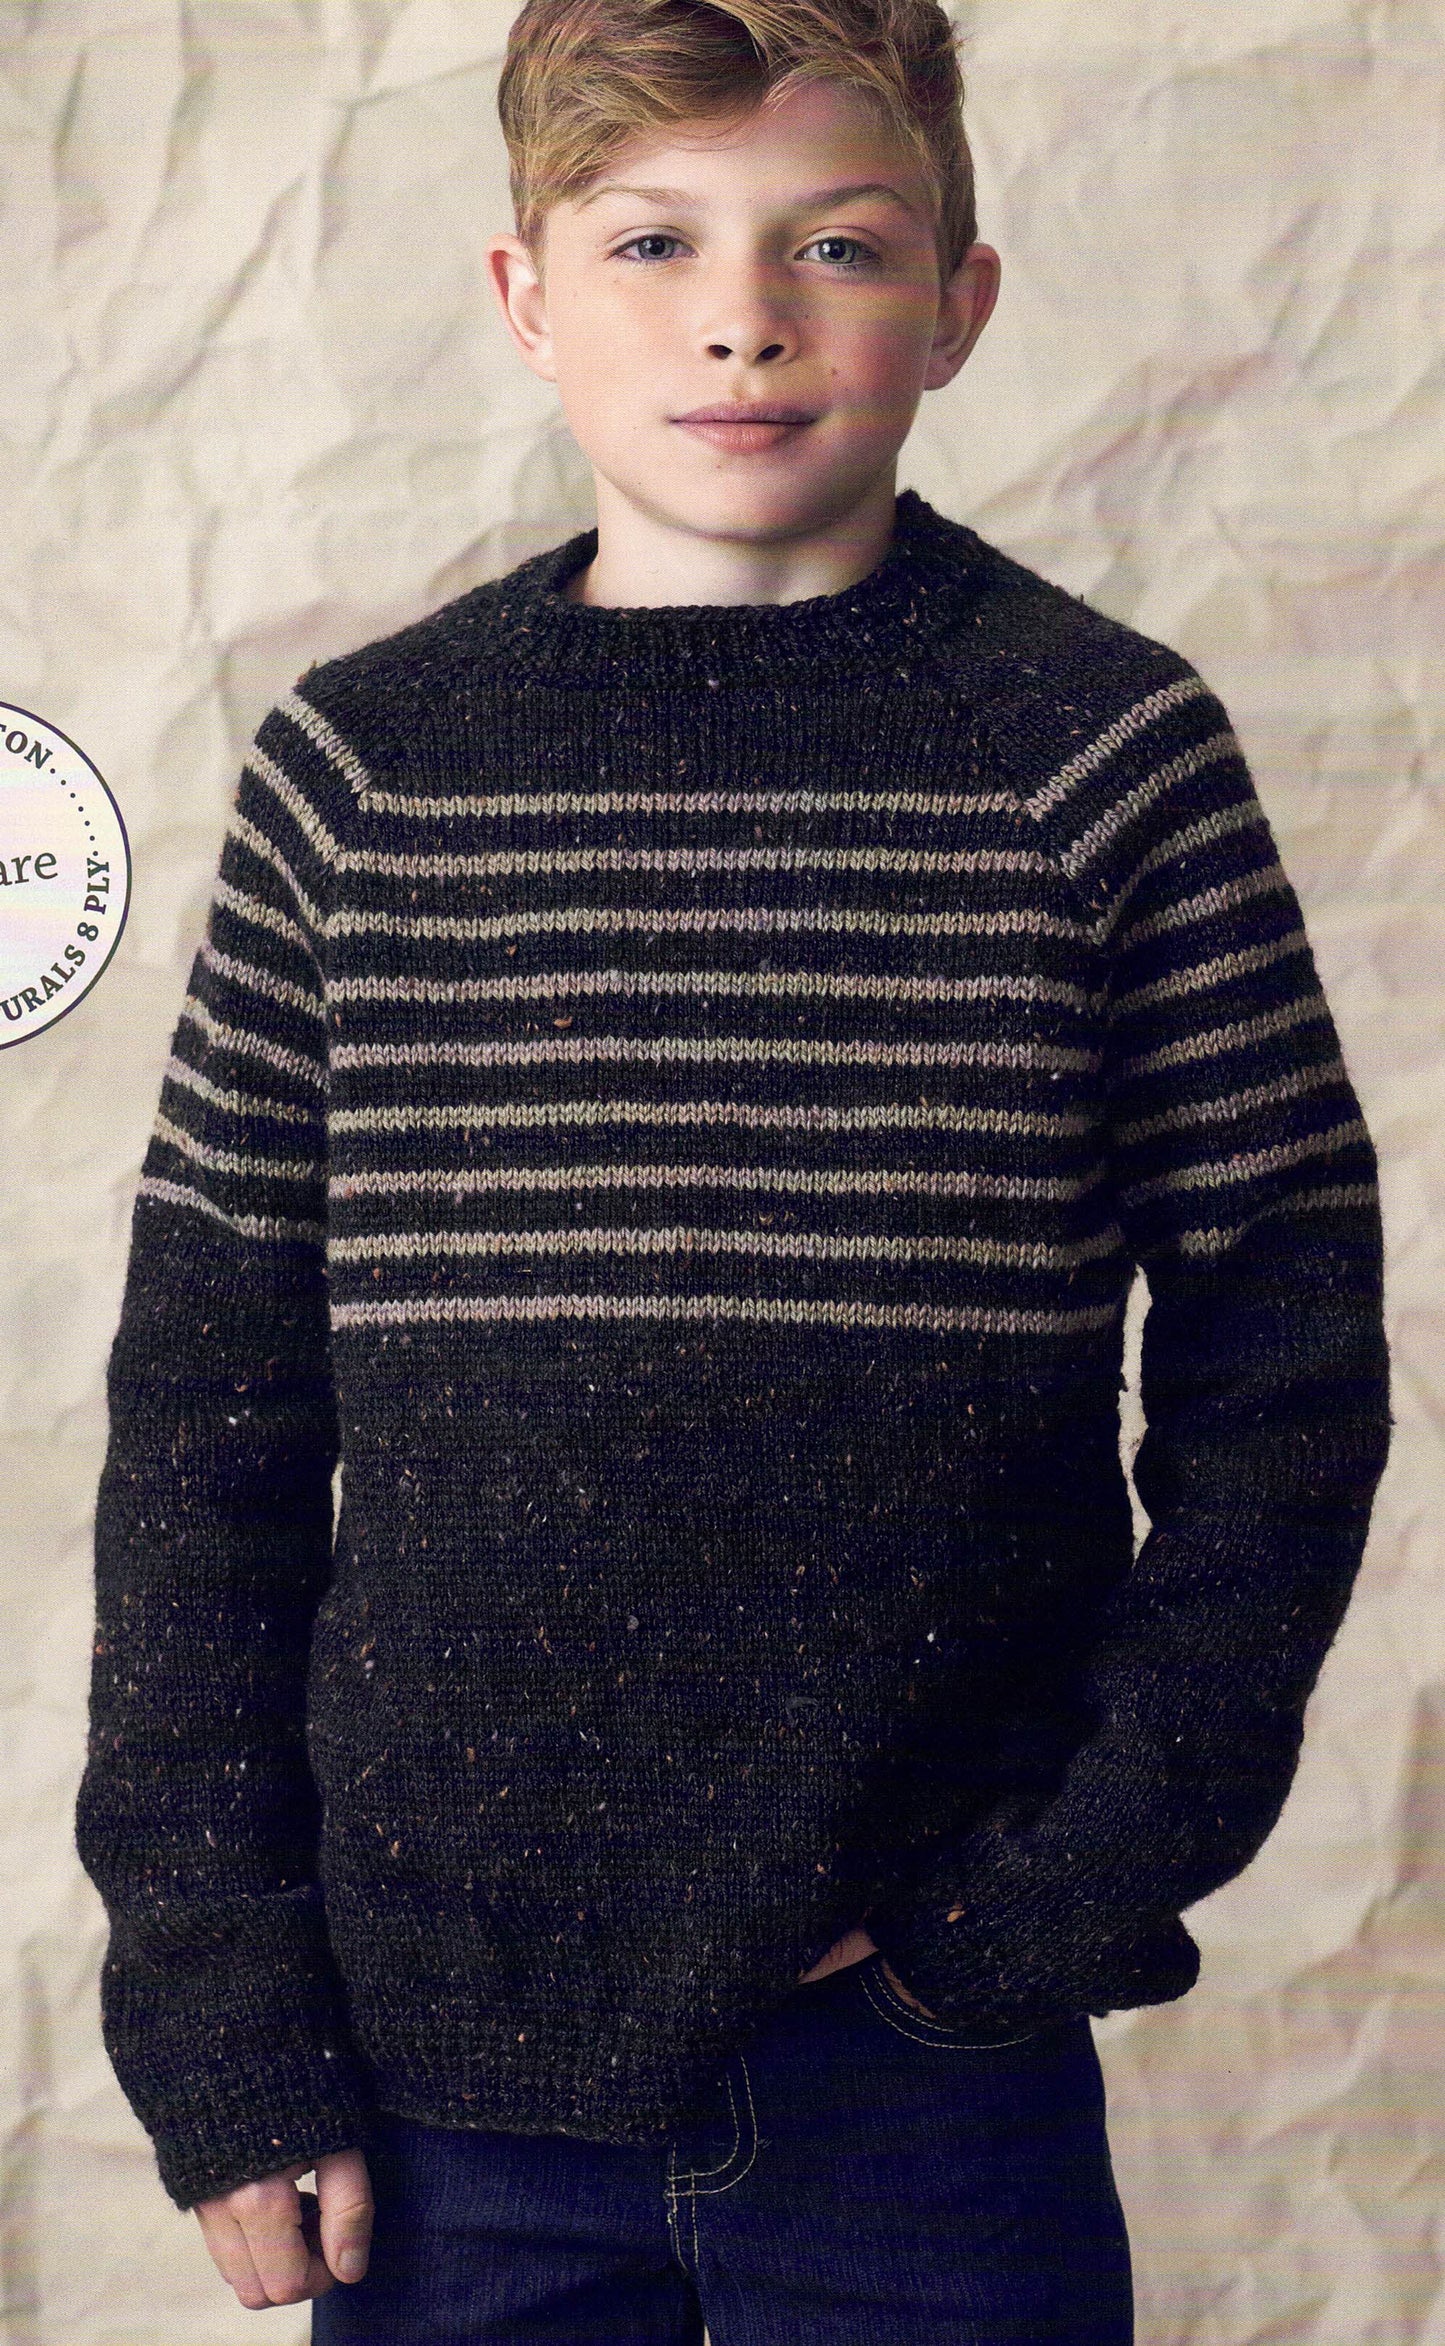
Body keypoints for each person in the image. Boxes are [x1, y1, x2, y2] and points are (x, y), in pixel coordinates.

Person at [74, 0, 1392, 2337]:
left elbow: (1284, 1367)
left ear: (959, 303)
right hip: (432, 2076)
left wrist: (1067, 1888)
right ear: (524, 298)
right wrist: (219, 2014)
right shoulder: (366, 781)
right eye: (653, 242)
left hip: (926, 2071)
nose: (744, 318)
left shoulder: (1099, 758)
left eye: (838, 245)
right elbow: (206, 1440)